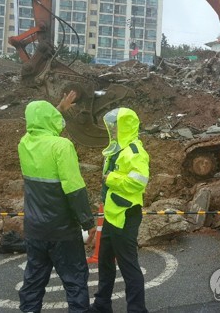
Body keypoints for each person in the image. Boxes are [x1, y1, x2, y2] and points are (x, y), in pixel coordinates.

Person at [17, 91, 96, 313]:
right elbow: (74, 189)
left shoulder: (24, 144)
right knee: (75, 281)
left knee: (33, 280)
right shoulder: (62, 146)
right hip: (62, 230)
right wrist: (88, 223)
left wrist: (58, 108)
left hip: (34, 229)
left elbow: (41, 123)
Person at [90, 107, 150, 313]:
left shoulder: (135, 152)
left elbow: (138, 182)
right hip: (112, 214)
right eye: (113, 126)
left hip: (126, 214)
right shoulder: (118, 150)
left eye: (117, 125)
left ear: (126, 126)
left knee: (128, 265)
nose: (113, 129)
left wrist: (110, 179)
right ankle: (102, 304)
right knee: (105, 262)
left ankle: (137, 309)